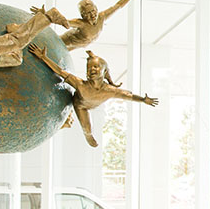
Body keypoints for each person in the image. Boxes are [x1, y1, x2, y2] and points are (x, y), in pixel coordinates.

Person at [27, 44, 157, 147]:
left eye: (96, 67)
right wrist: (43, 57)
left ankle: (86, 134)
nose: (92, 70)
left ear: (104, 71)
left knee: (88, 129)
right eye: (89, 68)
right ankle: (88, 135)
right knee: (87, 129)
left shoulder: (110, 90)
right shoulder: (80, 84)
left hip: (93, 104)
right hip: (80, 105)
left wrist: (143, 100)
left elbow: (128, 95)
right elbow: (60, 72)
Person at [38, 0, 144, 51]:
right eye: (87, 13)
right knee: (46, 48)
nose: (92, 15)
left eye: (93, 11)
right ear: (82, 15)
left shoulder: (102, 17)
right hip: (64, 43)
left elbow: (118, 5)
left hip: (73, 48)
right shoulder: (81, 23)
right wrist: (46, 15)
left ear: (97, 9)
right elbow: (63, 21)